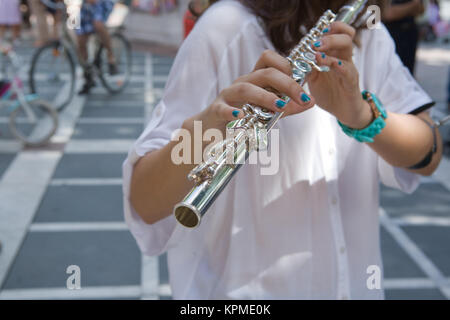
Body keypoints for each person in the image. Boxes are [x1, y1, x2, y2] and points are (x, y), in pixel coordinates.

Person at [124, 0, 443, 299]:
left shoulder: (367, 33)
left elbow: (428, 154)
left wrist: (360, 114)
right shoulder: (225, 26)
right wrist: (210, 127)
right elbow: (145, 203)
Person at [77, 0, 117, 95]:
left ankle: (110, 56)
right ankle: (88, 76)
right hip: (86, 4)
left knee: (98, 24)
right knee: (80, 39)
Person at [383, 0, 425, 75]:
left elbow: (421, 9)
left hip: (409, 34)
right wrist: (412, 6)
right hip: (392, 35)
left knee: (407, 73)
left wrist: (405, 9)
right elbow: (388, 13)